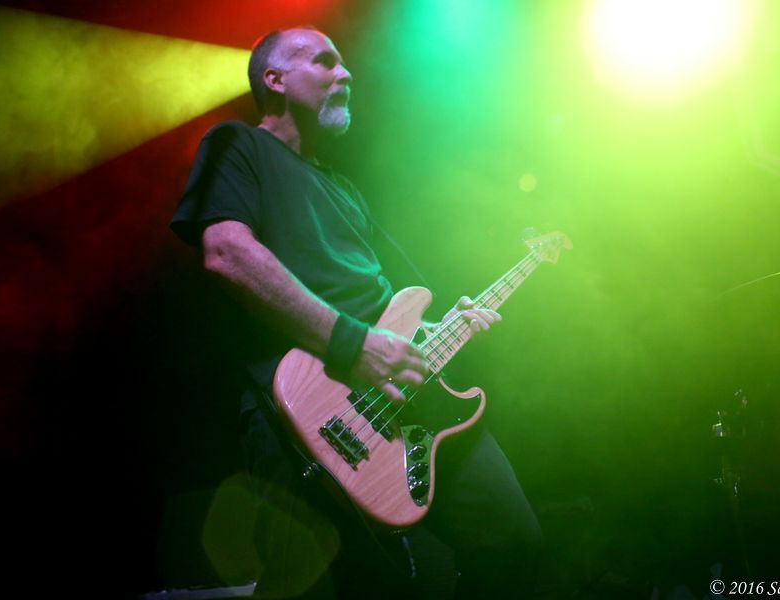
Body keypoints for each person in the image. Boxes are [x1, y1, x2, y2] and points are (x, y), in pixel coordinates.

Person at [170, 27, 543, 598]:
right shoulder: (237, 145)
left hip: (403, 405)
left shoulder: (346, 191)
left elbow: (386, 309)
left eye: (344, 65)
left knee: (513, 542)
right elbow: (227, 253)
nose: (345, 74)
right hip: (306, 406)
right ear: (274, 79)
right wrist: (355, 345)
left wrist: (439, 331)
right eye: (324, 62)